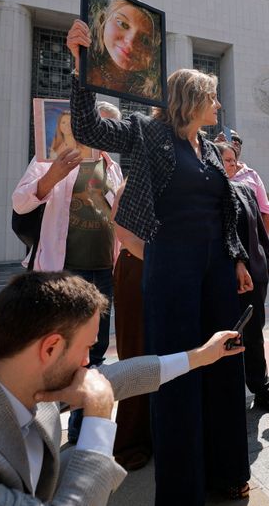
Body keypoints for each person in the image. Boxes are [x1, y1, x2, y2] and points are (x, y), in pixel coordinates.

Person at [0, 272, 243, 505]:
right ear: (50, 348)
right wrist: (99, 423)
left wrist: (200, 356)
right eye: (88, 349)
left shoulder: (7, 376)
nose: (91, 363)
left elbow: (117, 378)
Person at [67, 19, 253, 504]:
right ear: (193, 98)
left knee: (223, 362)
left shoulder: (210, 148)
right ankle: (182, 490)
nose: (218, 105)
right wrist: (80, 63)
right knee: (176, 370)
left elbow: (224, 210)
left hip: (216, 270)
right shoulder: (148, 134)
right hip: (170, 266)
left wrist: (235, 260)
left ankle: (226, 471)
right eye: (213, 97)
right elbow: (88, 126)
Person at [12, 101, 124, 443]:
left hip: (104, 270)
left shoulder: (111, 167)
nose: (103, 132)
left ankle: (81, 426)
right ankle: (34, 428)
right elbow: (21, 202)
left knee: (97, 349)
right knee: (55, 350)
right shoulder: (53, 157)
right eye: (99, 124)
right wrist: (51, 177)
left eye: (110, 127)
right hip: (64, 270)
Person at [216, 142, 269, 414]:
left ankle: (261, 388)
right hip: (221, 279)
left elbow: (259, 232)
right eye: (224, 160)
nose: (230, 165)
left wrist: (264, 267)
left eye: (233, 160)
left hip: (254, 279)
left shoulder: (245, 190)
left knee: (254, 335)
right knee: (224, 336)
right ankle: (226, 393)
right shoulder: (207, 195)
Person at [110, 182, 151, 471]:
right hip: (137, 267)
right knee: (136, 351)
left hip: (170, 269)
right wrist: (159, 260)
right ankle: (131, 442)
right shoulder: (134, 180)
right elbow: (120, 227)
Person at [85, 0, 161, 104]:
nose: (130, 42)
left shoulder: (150, 92)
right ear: (103, 20)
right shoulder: (86, 69)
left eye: (145, 40)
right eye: (123, 24)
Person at [215, 129, 269, 232]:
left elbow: (265, 212)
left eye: (238, 140)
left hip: (247, 240)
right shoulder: (210, 172)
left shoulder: (252, 175)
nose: (235, 142)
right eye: (230, 139)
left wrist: (260, 243)